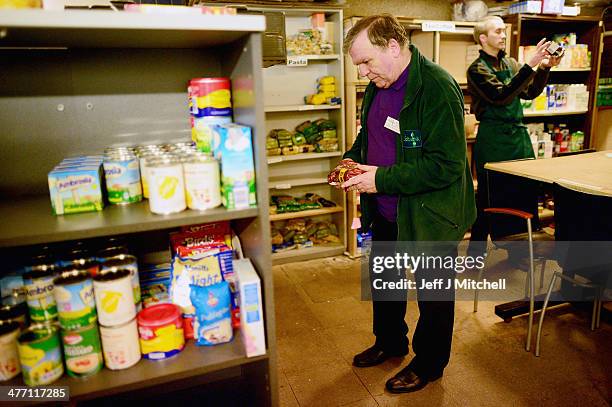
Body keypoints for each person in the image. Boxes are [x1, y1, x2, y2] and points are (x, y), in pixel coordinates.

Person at [340, 15, 476, 393]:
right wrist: (352, 160)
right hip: (386, 209)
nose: (364, 72)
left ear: (394, 47)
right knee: (384, 282)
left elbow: (446, 166)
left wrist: (379, 178)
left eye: (367, 61)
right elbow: (370, 136)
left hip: (429, 216)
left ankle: (430, 363)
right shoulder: (377, 86)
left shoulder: (436, 87)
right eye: (359, 65)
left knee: (433, 296)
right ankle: (389, 341)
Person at [467, 16, 564, 255]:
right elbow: (501, 96)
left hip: (517, 138)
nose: (503, 35)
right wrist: (529, 66)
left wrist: (544, 67)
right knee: (489, 197)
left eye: (504, 31)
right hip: (493, 139)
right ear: (483, 38)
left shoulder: (510, 63)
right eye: (498, 31)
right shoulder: (477, 70)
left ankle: (520, 250)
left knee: (523, 194)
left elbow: (530, 93)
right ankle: (476, 252)